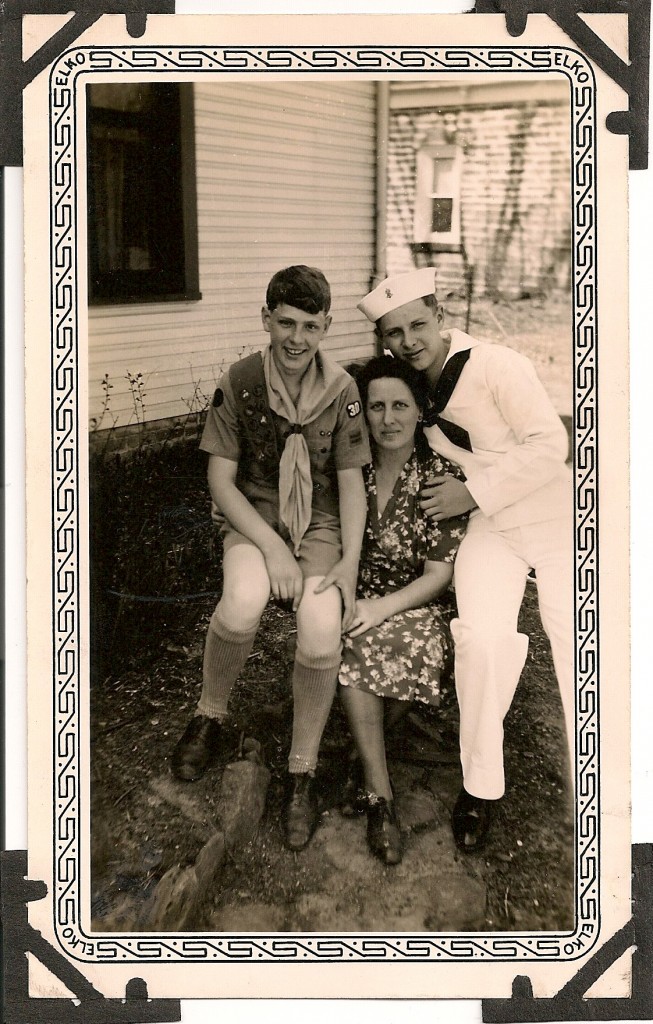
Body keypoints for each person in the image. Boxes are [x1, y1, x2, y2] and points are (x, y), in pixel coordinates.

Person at [358, 267, 573, 853]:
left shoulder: (498, 364)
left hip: (555, 519)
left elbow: (552, 446)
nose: (410, 340)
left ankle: (609, 780)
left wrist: (473, 491)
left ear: (441, 316)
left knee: (575, 636)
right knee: (479, 638)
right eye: (395, 332)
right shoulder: (410, 387)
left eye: (418, 324)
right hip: (488, 530)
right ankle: (481, 786)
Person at [171, 265, 370, 852]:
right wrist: (273, 547)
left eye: (311, 326)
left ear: (327, 327)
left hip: (324, 529)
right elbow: (222, 482)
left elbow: (353, 486)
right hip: (255, 521)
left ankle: (300, 768)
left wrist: (349, 564)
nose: (297, 338)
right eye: (286, 322)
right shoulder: (241, 381)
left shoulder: (343, 392)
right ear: (266, 319)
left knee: (319, 631)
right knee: (242, 601)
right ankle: (209, 714)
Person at [338, 356, 468, 865]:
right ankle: (376, 777)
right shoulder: (351, 468)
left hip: (419, 602)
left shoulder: (439, 476)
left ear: (420, 412)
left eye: (399, 406)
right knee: (350, 641)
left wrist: (382, 607)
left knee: (382, 647)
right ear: (362, 413)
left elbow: (439, 575)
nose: (387, 419)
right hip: (357, 595)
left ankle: (373, 783)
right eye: (376, 407)